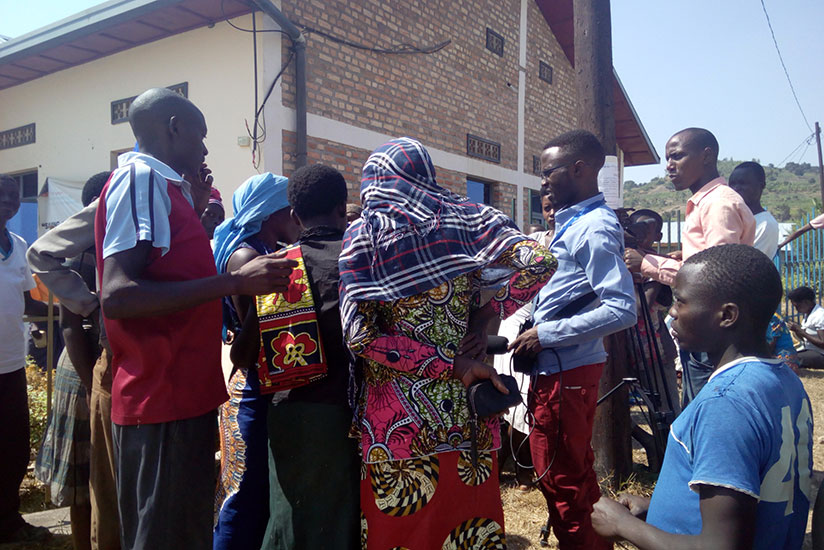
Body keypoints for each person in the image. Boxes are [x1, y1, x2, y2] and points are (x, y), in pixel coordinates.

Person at [94, 88, 297, 550]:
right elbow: (120, 295)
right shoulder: (141, 178)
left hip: (180, 393)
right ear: (173, 127)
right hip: (160, 394)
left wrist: (198, 214)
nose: (205, 149)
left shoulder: (164, 188)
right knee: (163, 533)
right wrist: (236, 284)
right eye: (201, 136)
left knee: (182, 528)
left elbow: (169, 269)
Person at [340, 137, 557, 549]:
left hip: (396, 423)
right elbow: (542, 261)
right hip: (469, 414)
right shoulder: (466, 221)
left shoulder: (365, 237)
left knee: (403, 532)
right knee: (466, 530)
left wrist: (448, 361)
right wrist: (489, 311)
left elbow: (360, 335)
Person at [592, 244, 813, 550]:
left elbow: (720, 545)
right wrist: (657, 508)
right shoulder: (783, 380)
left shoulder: (725, 403)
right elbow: (746, 491)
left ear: (727, 315)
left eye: (680, 303)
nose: (671, 313)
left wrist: (623, 525)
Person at [508, 130, 637, 550]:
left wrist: (547, 334)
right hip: (561, 368)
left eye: (548, 172)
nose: (542, 181)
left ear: (579, 169)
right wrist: (528, 318)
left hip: (568, 370)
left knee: (561, 478)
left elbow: (621, 308)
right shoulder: (573, 225)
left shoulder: (594, 229)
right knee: (573, 472)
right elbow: (562, 292)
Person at [258, 164, 360, 549]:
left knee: (290, 517)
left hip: (289, 414)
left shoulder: (277, 267)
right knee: (343, 519)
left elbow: (246, 352)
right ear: (342, 208)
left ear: (295, 217)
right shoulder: (361, 264)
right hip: (347, 413)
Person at [624, 128, 755, 405]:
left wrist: (648, 264)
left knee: (706, 407)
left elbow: (716, 276)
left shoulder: (718, 204)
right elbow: (710, 259)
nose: (669, 166)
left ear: (706, 156)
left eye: (677, 156)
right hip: (703, 329)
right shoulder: (706, 202)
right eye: (667, 159)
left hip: (711, 331)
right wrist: (682, 258)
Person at [28, 172, 123, 550]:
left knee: (97, 481)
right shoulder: (82, 254)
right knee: (88, 482)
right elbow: (70, 325)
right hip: (84, 367)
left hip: (89, 368)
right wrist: (90, 386)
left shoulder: (106, 247)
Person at [211, 172, 300, 550]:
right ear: (268, 213)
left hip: (267, 388)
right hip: (250, 390)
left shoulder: (264, 251)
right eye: (289, 210)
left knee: (261, 494)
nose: (296, 217)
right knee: (243, 496)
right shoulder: (247, 256)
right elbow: (245, 350)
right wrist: (267, 290)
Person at [0, 174, 52, 544]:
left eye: (13, 196)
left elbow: (29, 301)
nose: (8, 201)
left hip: (11, 365)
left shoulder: (17, 245)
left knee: (15, 448)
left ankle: (8, 520)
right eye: (1, 195)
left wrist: (75, 308)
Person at [494, 186, 555, 491]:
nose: (552, 212)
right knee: (510, 402)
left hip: (542, 332)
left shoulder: (567, 242)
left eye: (555, 205)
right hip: (516, 327)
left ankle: (524, 471)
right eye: (546, 207)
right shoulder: (533, 246)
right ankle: (505, 467)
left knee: (525, 408)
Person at [729, 161, 779, 259]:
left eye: (743, 183)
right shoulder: (732, 220)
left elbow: (743, 266)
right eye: (732, 184)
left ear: (761, 185)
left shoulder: (766, 225)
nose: (736, 188)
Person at [786, 286, 824, 369]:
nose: (796, 310)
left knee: (790, 359)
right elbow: (806, 340)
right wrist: (797, 331)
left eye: (797, 306)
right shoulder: (808, 315)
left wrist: (802, 332)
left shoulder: (820, 316)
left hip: (820, 354)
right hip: (810, 350)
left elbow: (822, 343)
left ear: (806, 302)